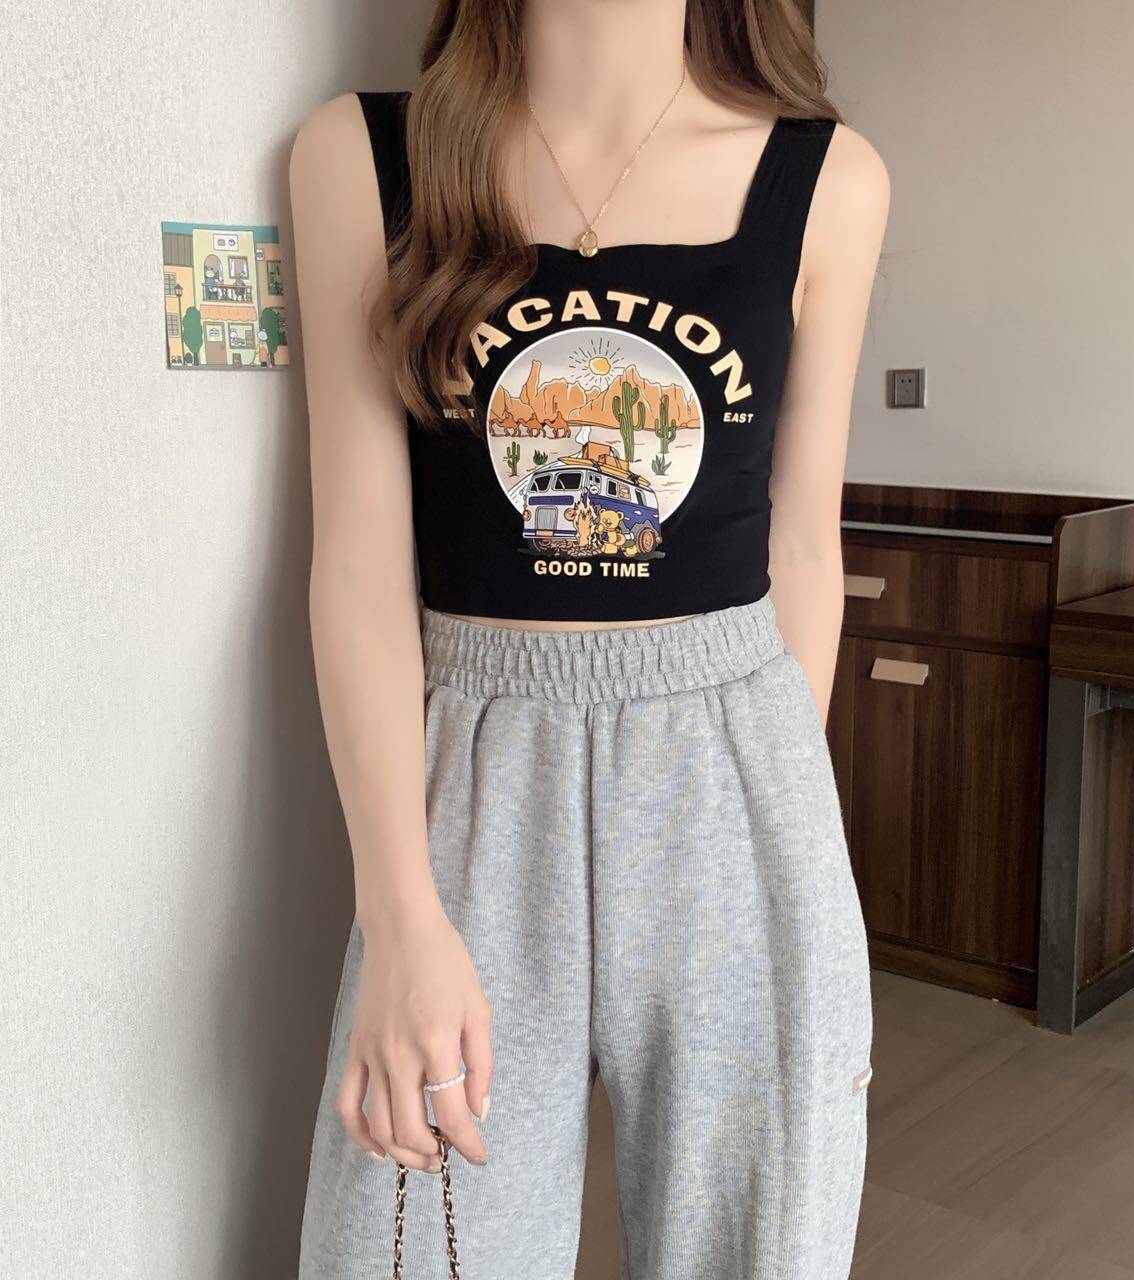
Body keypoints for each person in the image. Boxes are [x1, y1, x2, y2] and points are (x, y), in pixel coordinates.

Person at [289, 1, 889, 1275]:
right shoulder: (365, 158)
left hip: (735, 769)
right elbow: (357, 563)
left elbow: (801, 548)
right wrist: (399, 916)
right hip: (473, 780)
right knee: (411, 1241)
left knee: (757, 1246)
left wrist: (777, 832)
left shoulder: (828, 179)